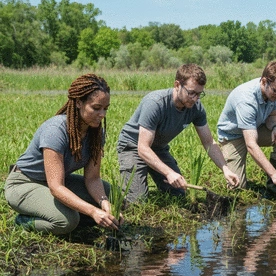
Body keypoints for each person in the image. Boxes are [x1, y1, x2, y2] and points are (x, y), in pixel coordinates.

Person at [5, 74, 120, 235]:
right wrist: (93, 211)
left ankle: (78, 214)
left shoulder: (96, 133)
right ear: (79, 103)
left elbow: (92, 178)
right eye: (96, 108)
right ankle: (23, 221)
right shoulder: (56, 130)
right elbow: (56, 187)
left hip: (55, 182)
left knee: (113, 194)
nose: (102, 114)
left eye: (105, 108)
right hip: (25, 184)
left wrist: (104, 203)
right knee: (67, 221)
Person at [117, 63, 239, 203]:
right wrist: (168, 172)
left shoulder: (196, 108)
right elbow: (142, 148)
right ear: (177, 85)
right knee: (137, 201)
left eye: (199, 94)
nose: (195, 98)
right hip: (133, 146)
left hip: (158, 148)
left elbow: (209, 142)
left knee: (178, 192)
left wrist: (225, 169)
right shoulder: (155, 103)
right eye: (191, 92)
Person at [217, 61, 276, 198]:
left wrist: (275, 127)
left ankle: (275, 187)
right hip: (233, 136)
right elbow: (251, 144)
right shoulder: (246, 100)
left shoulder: (275, 93)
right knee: (237, 188)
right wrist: (273, 173)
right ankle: (275, 177)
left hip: (254, 129)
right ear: (264, 81)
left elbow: (273, 115)